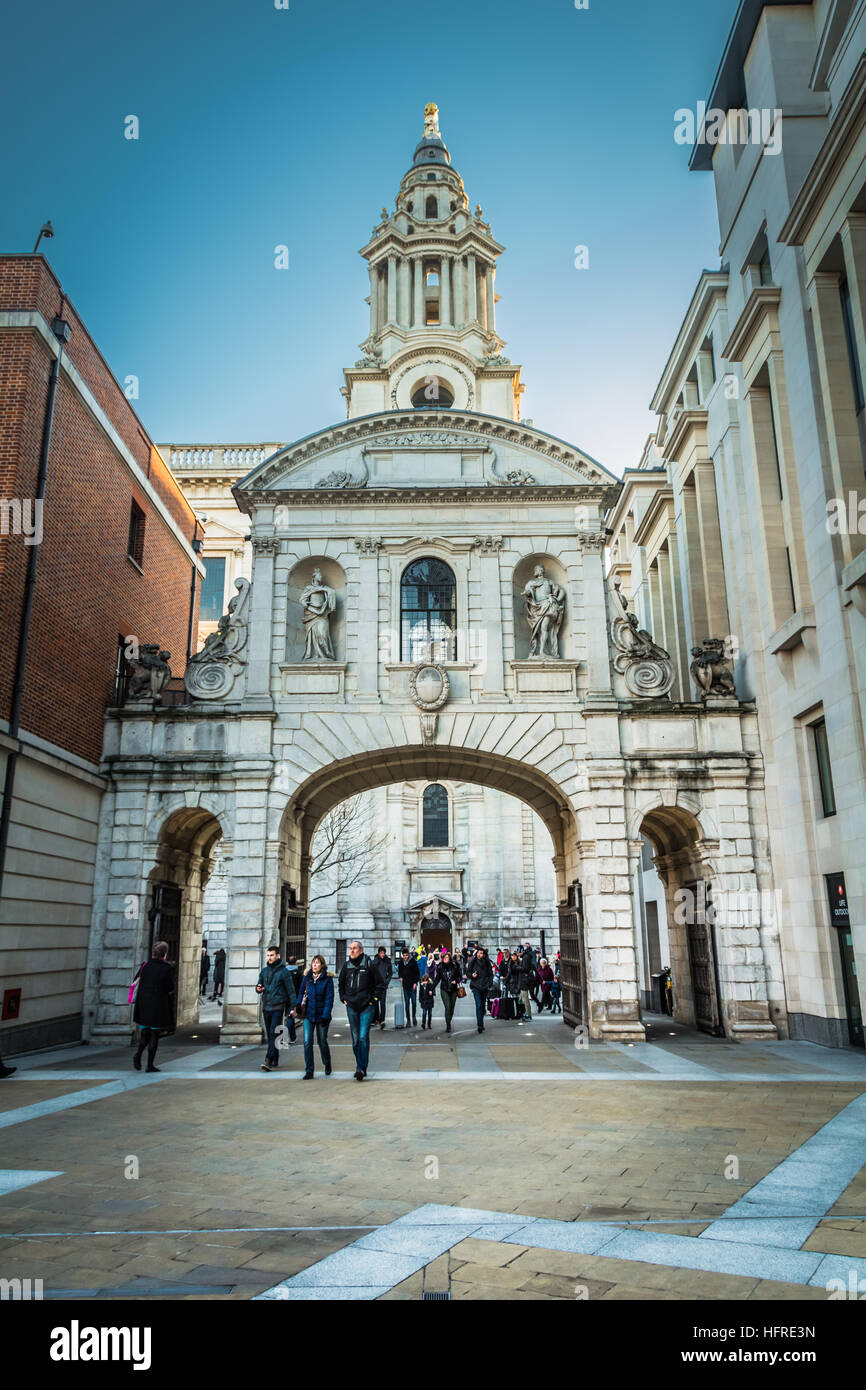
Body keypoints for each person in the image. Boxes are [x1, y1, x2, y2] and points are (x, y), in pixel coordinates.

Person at [133, 940, 175, 1072]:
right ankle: (149, 1065)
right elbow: (169, 987)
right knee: (154, 1035)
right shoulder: (166, 968)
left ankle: (138, 1055)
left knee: (145, 1033)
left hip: (143, 1004)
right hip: (157, 1004)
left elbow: (136, 981)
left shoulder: (144, 966)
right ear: (164, 954)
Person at [338, 940, 378, 1080]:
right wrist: (342, 997)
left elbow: (379, 982)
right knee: (355, 1039)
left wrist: (374, 999)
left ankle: (361, 1068)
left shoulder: (369, 964)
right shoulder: (346, 965)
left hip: (367, 1006)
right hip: (351, 1005)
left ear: (361, 950)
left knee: (362, 1037)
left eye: (354, 948)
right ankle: (360, 1065)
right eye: (350, 948)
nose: (352, 951)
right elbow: (341, 982)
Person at [256, 944, 297, 1072]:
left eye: (272, 955)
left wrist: (293, 1007)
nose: (270, 957)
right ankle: (275, 1058)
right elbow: (259, 984)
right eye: (268, 955)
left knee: (274, 1032)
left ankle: (268, 1059)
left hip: (278, 1006)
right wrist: (258, 988)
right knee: (271, 1034)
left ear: (278, 956)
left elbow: (291, 990)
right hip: (266, 1005)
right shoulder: (264, 971)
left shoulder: (284, 972)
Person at [295, 954, 334, 1079]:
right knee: (307, 1041)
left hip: (322, 1015)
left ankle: (327, 1063)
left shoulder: (327, 980)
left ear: (322, 965)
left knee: (322, 1041)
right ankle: (309, 1070)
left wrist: (325, 1015)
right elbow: (301, 992)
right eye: (313, 963)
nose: (315, 965)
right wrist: (297, 1005)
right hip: (308, 1015)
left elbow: (329, 999)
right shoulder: (307, 978)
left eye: (317, 963)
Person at [435, 949, 462, 1034]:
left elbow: (459, 977)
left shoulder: (455, 966)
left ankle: (449, 1021)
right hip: (444, 989)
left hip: (453, 989)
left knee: (452, 1008)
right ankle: (448, 1024)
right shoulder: (440, 967)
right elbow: (437, 979)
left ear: (450, 958)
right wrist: (430, 988)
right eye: (444, 958)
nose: (445, 959)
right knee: (448, 1006)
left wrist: (456, 981)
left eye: (447, 957)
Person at [468, 947, 493, 1033]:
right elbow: (468, 973)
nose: (479, 954)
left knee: (482, 1006)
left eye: (481, 953)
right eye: (478, 953)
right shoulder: (473, 962)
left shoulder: (487, 963)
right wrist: (472, 975)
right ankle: (480, 1025)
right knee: (478, 1005)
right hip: (475, 986)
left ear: (484, 954)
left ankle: (481, 1022)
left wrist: (489, 983)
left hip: (484, 986)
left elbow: (491, 974)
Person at [372, 945, 393, 1030]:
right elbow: (372, 972)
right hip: (376, 986)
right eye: (381, 953)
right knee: (376, 1003)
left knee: (383, 1003)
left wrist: (386, 981)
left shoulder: (388, 961)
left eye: (383, 953)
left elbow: (390, 973)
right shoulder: (375, 961)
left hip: (383, 986)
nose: (382, 954)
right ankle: (376, 1019)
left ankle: (382, 1020)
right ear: (379, 953)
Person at [398, 947, 420, 1027]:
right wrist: (400, 977)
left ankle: (413, 1016)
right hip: (405, 986)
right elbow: (399, 972)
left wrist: (415, 983)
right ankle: (408, 1020)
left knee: (414, 1002)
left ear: (408, 955)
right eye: (404, 955)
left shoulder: (413, 961)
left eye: (406, 955)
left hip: (412, 985)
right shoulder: (401, 962)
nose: (405, 957)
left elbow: (417, 973)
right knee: (407, 1003)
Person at [517, 945, 535, 1022]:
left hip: (525, 980)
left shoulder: (525, 958)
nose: (517, 954)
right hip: (526, 979)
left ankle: (528, 1014)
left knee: (525, 998)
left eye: (518, 952)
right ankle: (527, 1013)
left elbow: (525, 969)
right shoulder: (526, 957)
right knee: (524, 998)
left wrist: (517, 967)